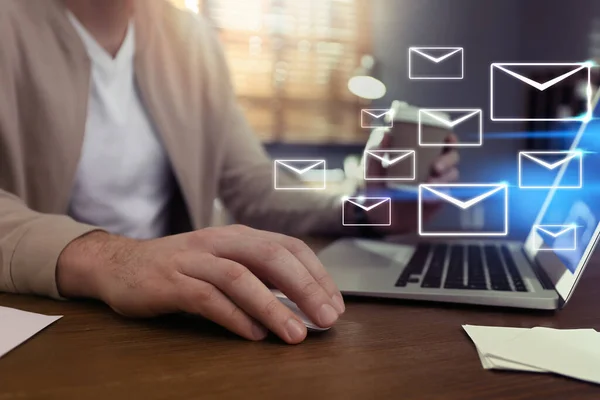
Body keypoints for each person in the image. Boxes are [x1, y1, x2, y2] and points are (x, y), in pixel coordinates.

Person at [0, 0, 459, 344]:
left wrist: (361, 209)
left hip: (169, 329)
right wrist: (119, 259)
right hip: (43, 324)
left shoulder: (190, 38)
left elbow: (252, 185)